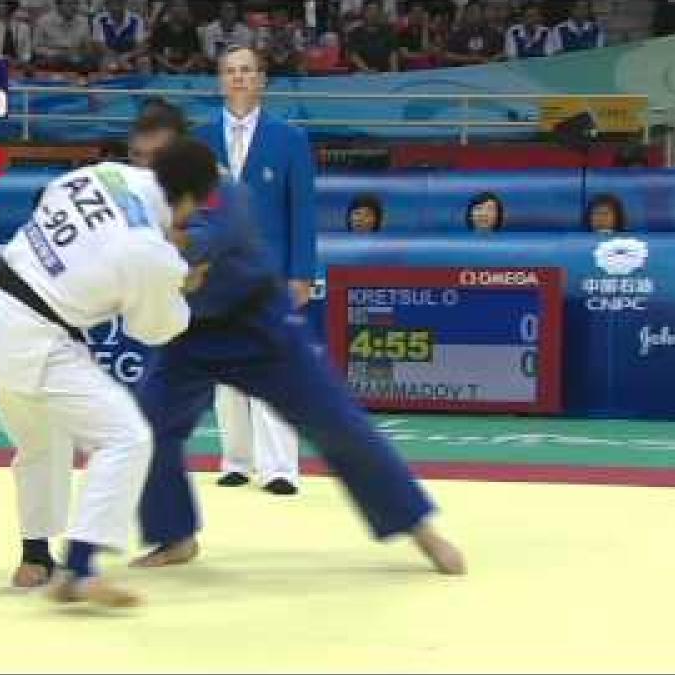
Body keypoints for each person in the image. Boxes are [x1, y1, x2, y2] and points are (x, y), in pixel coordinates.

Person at [125, 101, 466, 576]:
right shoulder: (136, 200)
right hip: (191, 336)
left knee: (338, 424)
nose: (148, 167)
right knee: (145, 427)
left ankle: (421, 529)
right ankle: (174, 534)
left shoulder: (222, 192)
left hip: (260, 329)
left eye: (157, 155)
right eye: (138, 157)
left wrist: (147, 246)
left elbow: (183, 256)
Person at [0, 138, 219, 608]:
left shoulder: (101, 174)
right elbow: (155, 329)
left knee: (41, 441)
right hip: (35, 336)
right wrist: (181, 282)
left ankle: (35, 557)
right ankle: (80, 566)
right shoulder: (150, 251)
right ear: (192, 200)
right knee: (127, 437)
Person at [193, 46, 315, 496]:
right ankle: (236, 459)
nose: (239, 78)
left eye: (247, 70)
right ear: (220, 80)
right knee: (226, 365)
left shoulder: (290, 138)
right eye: (230, 71)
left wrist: (302, 272)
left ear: (262, 79)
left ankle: (280, 466)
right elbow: (193, 209)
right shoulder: (201, 138)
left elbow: (302, 210)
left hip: (272, 270)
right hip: (219, 270)